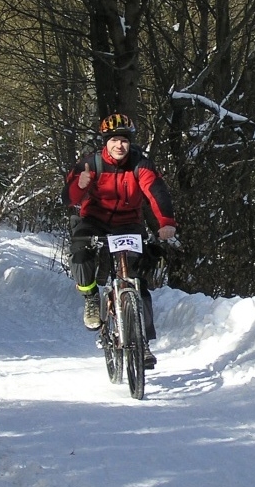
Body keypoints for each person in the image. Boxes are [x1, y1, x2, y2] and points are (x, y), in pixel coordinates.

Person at [62, 113, 177, 367]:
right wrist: (80, 185)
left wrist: (166, 222)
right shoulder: (91, 164)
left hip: (128, 224)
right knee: (81, 255)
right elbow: (68, 197)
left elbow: (156, 191)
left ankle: (143, 343)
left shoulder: (140, 165)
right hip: (94, 220)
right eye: (114, 140)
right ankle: (92, 298)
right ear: (106, 142)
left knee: (138, 281)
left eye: (124, 140)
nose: (119, 146)